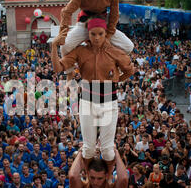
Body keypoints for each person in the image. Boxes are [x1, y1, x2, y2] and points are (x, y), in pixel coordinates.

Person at [52, 18, 135, 178]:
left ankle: (109, 176)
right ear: (87, 35)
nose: (96, 37)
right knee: (88, 148)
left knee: (107, 150)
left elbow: (130, 70)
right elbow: (58, 67)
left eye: (100, 34)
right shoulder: (80, 51)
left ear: (106, 34)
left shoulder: (115, 51)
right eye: (93, 34)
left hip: (108, 103)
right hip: (87, 102)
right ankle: (89, 176)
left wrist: (116, 81)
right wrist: (54, 45)